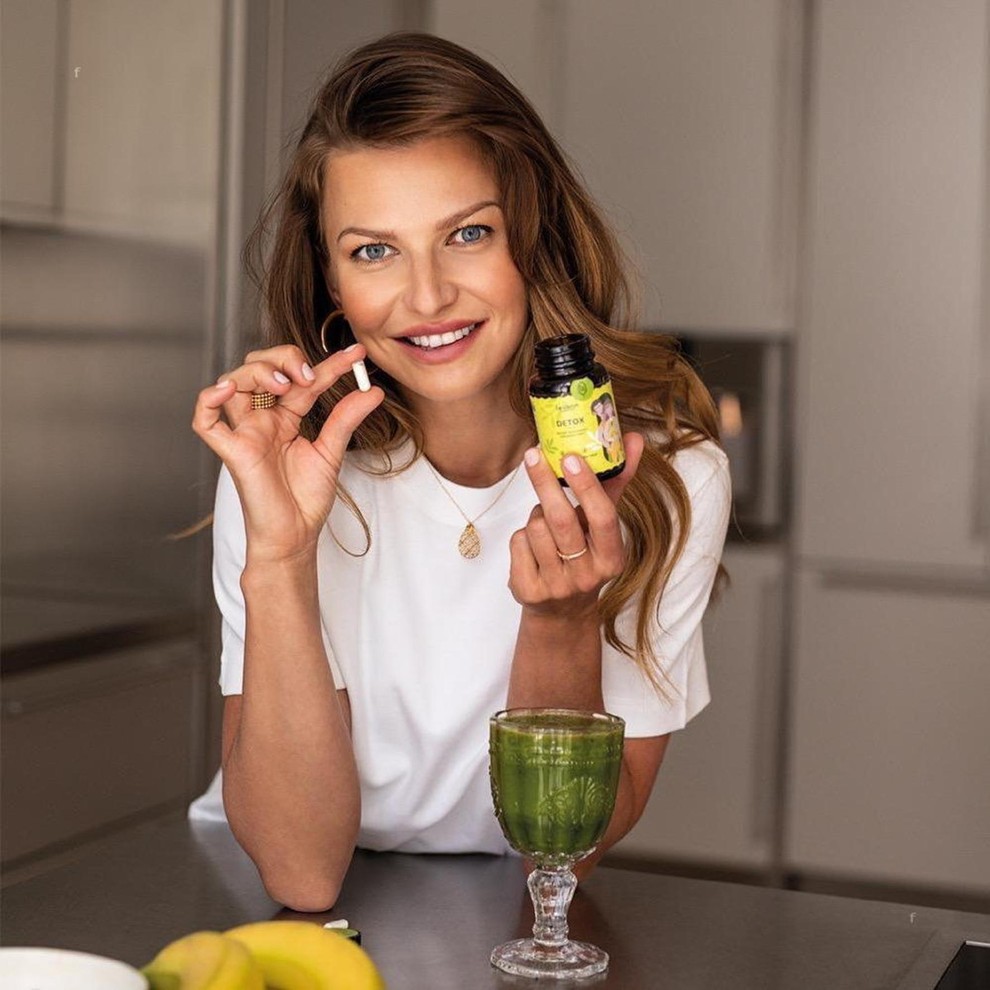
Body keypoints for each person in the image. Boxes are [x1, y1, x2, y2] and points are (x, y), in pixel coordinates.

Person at [189, 32, 730, 912]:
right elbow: (300, 871)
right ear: (330, 279)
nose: (429, 296)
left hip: (508, 909)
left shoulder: (667, 477)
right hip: (265, 890)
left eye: (468, 233)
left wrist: (560, 620)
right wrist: (281, 558)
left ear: (533, 234)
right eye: (373, 250)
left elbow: (563, 858)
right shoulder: (286, 472)